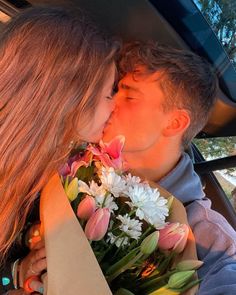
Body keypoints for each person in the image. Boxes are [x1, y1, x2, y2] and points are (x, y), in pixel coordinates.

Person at [0, 6, 118, 294]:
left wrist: (16, 272)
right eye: (108, 94)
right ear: (67, 97)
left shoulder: (39, 170)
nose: (114, 105)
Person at [103, 42, 236, 295]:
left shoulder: (209, 241)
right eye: (115, 90)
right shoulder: (83, 167)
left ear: (175, 123)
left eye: (129, 95)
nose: (111, 101)